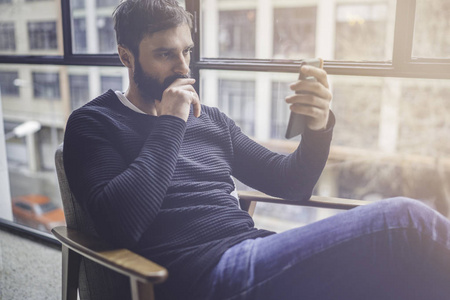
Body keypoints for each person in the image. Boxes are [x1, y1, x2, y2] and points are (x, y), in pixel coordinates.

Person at [62, 0, 450, 299]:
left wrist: (316, 129)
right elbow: (120, 224)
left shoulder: (210, 119)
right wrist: (171, 122)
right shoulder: (93, 124)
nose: (183, 68)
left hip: (254, 253)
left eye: (187, 51)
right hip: (199, 276)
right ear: (126, 56)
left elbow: (292, 184)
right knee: (408, 223)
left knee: (403, 271)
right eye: (165, 54)